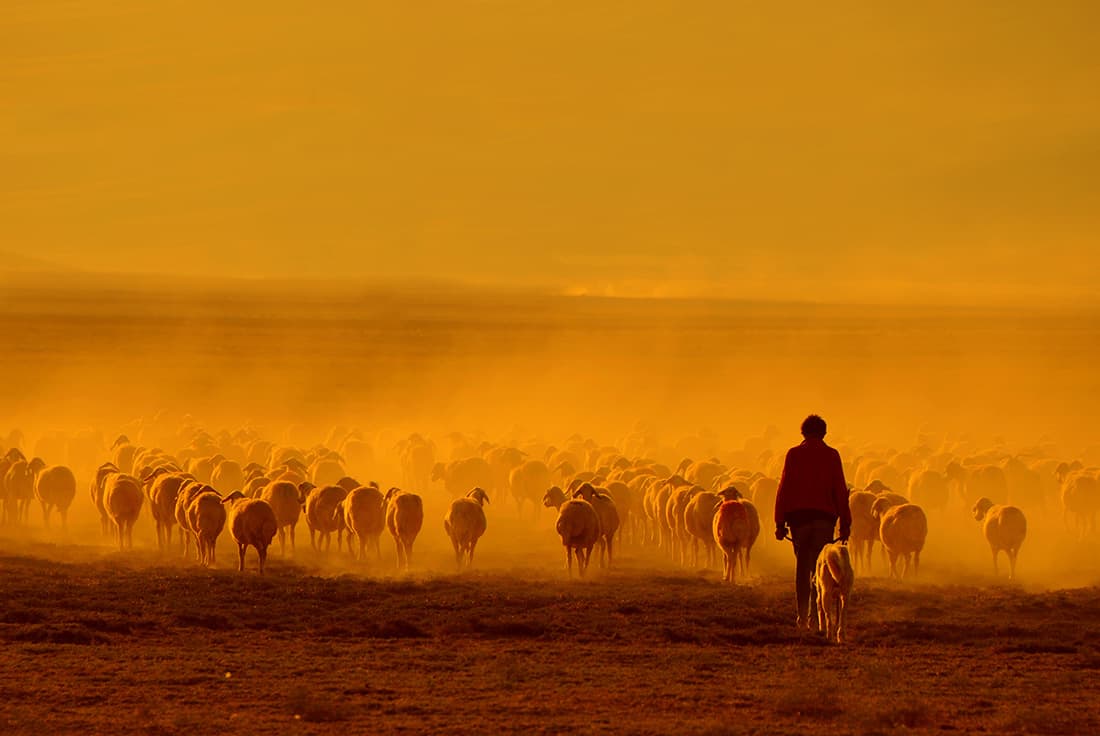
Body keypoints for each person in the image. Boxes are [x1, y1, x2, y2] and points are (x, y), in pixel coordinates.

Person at [773, 414, 851, 630]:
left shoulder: (794, 454)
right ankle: (818, 618)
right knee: (820, 569)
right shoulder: (832, 455)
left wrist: (780, 522)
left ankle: (802, 616)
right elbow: (840, 491)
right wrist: (845, 523)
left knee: (802, 569)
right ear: (824, 433)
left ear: (803, 433)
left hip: (799, 522)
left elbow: (784, 489)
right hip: (824, 521)